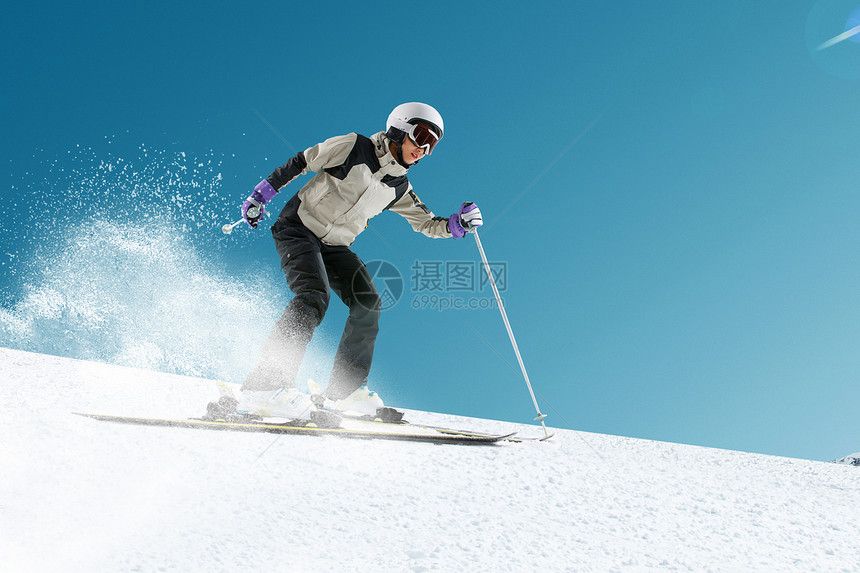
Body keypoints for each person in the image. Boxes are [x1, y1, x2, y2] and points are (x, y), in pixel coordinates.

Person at [235, 102, 483, 420]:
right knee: (313, 297)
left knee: (368, 303)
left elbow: (426, 223)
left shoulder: (400, 187)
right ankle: (264, 388)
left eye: (432, 144)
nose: (423, 148)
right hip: (298, 227)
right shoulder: (355, 147)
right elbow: (304, 161)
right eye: (421, 135)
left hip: (336, 245)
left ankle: (344, 391)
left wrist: (456, 225)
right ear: (400, 127)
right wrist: (262, 194)